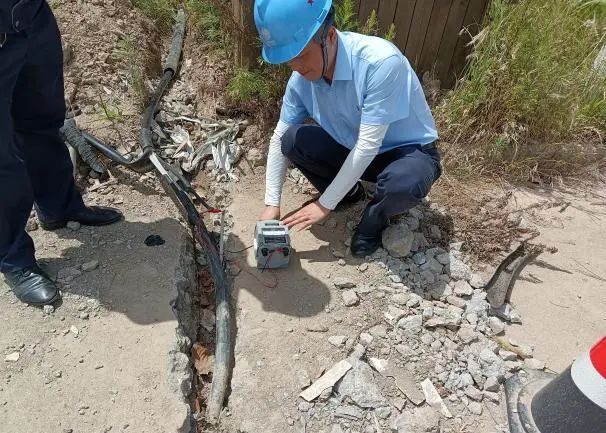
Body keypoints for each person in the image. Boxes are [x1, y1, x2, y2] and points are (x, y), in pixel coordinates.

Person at [254, 0, 442, 258]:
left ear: (329, 36)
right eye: (288, 60)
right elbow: (278, 139)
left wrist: (324, 204)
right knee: (292, 140)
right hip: (354, 148)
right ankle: (349, 194)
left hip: (405, 152)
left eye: (302, 55)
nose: (297, 67)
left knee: (404, 183)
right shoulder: (300, 80)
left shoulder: (380, 63)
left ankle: (374, 219)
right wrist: (271, 204)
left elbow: (367, 146)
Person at [1, 0, 122, 306]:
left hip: (31, 15)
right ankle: (13, 256)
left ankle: (58, 207)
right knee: (3, 156)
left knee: (42, 119)